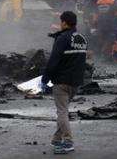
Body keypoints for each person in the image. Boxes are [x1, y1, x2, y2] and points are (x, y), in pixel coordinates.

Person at [39, 11, 86, 154]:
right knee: (63, 110)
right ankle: (57, 138)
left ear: (64, 22)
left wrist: (45, 80)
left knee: (62, 112)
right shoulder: (82, 38)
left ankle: (68, 142)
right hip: (76, 82)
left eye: (61, 21)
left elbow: (53, 61)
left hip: (62, 82)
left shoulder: (62, 39)